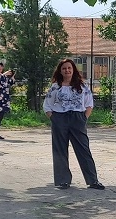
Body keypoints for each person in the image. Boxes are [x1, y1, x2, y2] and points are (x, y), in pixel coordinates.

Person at [44, 58, 104, 190]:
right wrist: (54, 119)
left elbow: (89, 104)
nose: (67, 70)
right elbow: (47, 106)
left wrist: (84, 118)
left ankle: (92, 180)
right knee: (60, 150)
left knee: (83, 149)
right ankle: (63, 180)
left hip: (77, 118)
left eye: (69, 68)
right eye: (64, 68)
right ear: (60, 71)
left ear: (73, 70)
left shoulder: (82, 86)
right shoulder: (55, 87)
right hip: (60, 118)